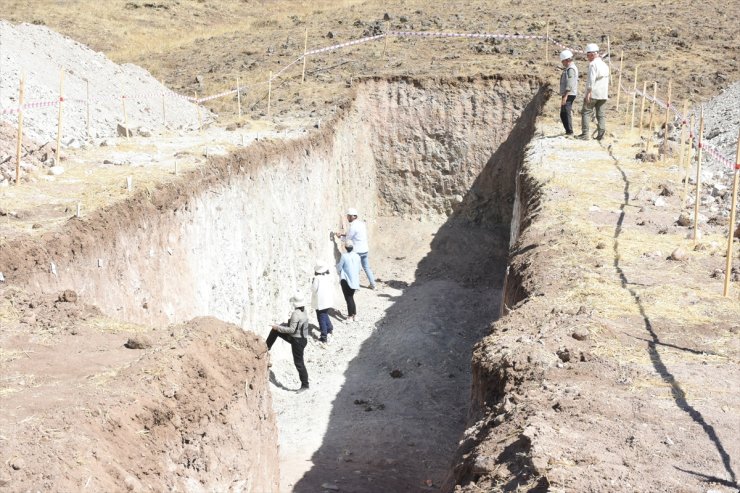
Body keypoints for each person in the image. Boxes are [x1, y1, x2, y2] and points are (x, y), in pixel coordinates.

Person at [266, 293, 310, 392]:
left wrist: (278, 327)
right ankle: (267, 347)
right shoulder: (304, 311)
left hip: (297, 341)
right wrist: (280, 326)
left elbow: (291, 330)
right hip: (302, 339)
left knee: (299, 363)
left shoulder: (296, 314)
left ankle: (305, 385)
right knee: (275, 331)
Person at [337, 208, 376, 290]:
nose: (347, 218)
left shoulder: (353, 227)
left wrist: (340, 237)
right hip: (365, 249)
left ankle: (355, 287)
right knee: (366, 267)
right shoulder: (361, 224)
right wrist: (343, 234)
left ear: (352, 217)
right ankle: (373, 284)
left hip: (357, 251)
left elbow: (348, 238)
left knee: (354, 269)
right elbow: (353, 235)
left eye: (348, 216)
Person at [578, 43, 609, 141]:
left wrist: (588, 92)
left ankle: (585, 134)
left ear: (592, 54)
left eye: (587, 55)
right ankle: (601, 135)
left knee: (586, 112)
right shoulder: (605, 64)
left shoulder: (593, 64)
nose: (587, 57)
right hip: (603, 94)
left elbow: (591, 80)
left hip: (594, 93)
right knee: (601, 114)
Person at [336, 239, 361, 321]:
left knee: (348, 298)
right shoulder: (357, 256)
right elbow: (359, 268)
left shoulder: (344, 256)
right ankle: (355, 315)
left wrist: (337, 267)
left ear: (345, 247)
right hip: (354, 281)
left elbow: (340, 267)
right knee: (351, 297)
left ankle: (350, 316)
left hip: (346, 280)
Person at [312, 262, 334, 343]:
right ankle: (330, 328)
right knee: (325, 314)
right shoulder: (327, 276)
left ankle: (324, 336)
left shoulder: (317, 278)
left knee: (321, 318)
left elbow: (313, 289)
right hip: (327, 301)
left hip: (320, 302)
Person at [558, 49, 578, 136]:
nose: (562, 63)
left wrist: (565, 95)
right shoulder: (569, 68)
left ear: (567, 60)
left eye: (563, 61)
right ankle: (568, 131)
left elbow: (570, 82)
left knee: (566, 112)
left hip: (569, 94)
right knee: (563, 113)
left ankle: (570, 132)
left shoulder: (571, 69)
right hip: (567, 93)